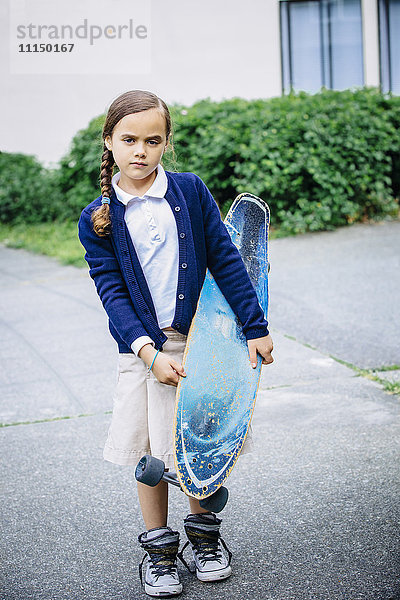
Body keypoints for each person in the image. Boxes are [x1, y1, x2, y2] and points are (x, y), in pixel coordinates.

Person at [78, 89, 273, 597]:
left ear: (166, 143)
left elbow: (228, 261)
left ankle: (204, 540)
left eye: (153, 140)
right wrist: (147, 353)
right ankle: (159, 550)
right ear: (109, 141)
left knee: (199, 444)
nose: (140, 150)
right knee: (152, 455)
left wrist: (254, 326)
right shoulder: (96, 217)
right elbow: (112, 294)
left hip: (198, 345)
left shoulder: (188, 191)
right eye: (129, 140)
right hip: (142, 351)